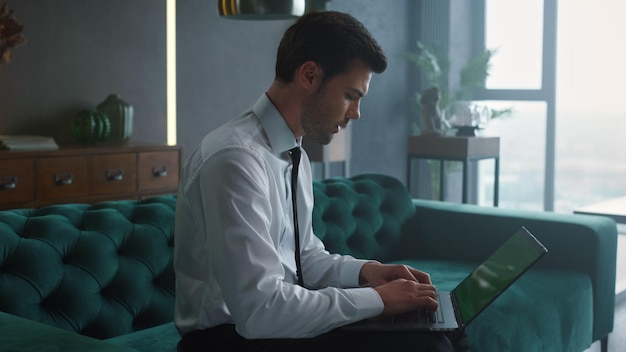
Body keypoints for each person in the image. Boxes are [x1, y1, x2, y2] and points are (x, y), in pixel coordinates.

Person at [174, 10, 468, 352]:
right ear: (310, 75)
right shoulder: (235, 159)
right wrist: (377, 300)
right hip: (226, 338)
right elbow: (259, 311)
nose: (355, 113)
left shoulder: (291, 150)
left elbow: (303, 258)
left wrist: (368, 273)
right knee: (426, 348)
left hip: (275, 321)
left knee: (438, 333)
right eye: (350, 95)